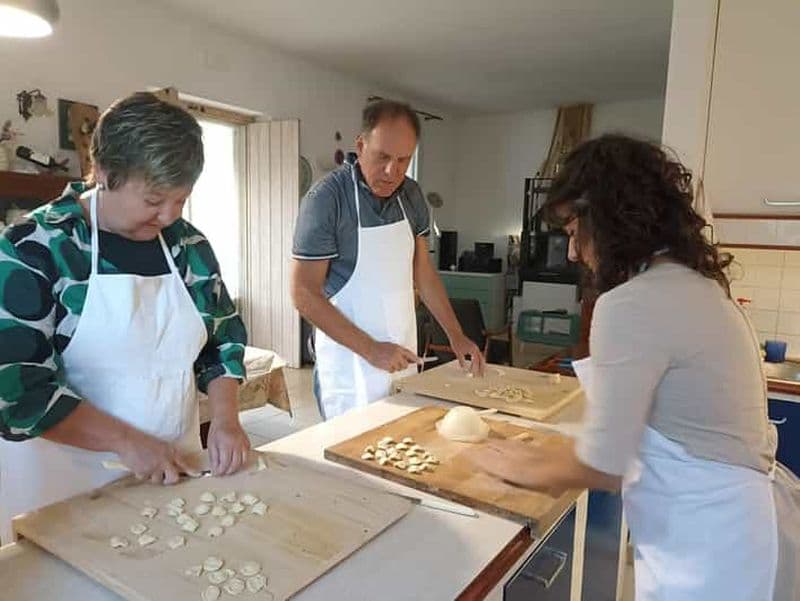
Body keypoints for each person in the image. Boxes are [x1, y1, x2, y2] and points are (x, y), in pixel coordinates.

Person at [467, 134, 800, 600]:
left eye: (572, 231)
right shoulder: (693, 286)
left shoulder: (633, 303)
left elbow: (605, 463)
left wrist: (524, 465)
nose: (572, 252)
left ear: (604, 216)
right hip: (734, 536)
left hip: (708, 552)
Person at [0, 92, 250, 542]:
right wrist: (127, 442)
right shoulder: (34, 248)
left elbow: (222, 340)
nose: (170, 215)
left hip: (178, 471)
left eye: (182, 199)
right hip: (67, 490)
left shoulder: (188, 247)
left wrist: (228, 418)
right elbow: (16, 393)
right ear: (106, 174)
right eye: (155, 199)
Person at [291, 99, 484, 420]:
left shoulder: (412, 196)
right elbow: (303, 293)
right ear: (360, 145)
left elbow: (423, 273)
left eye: (404, 160)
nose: (392, 171)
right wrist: (371, 349)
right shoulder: (327, 200)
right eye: (382, 157)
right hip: (349, 364)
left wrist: (455, 334)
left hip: (401, 353)